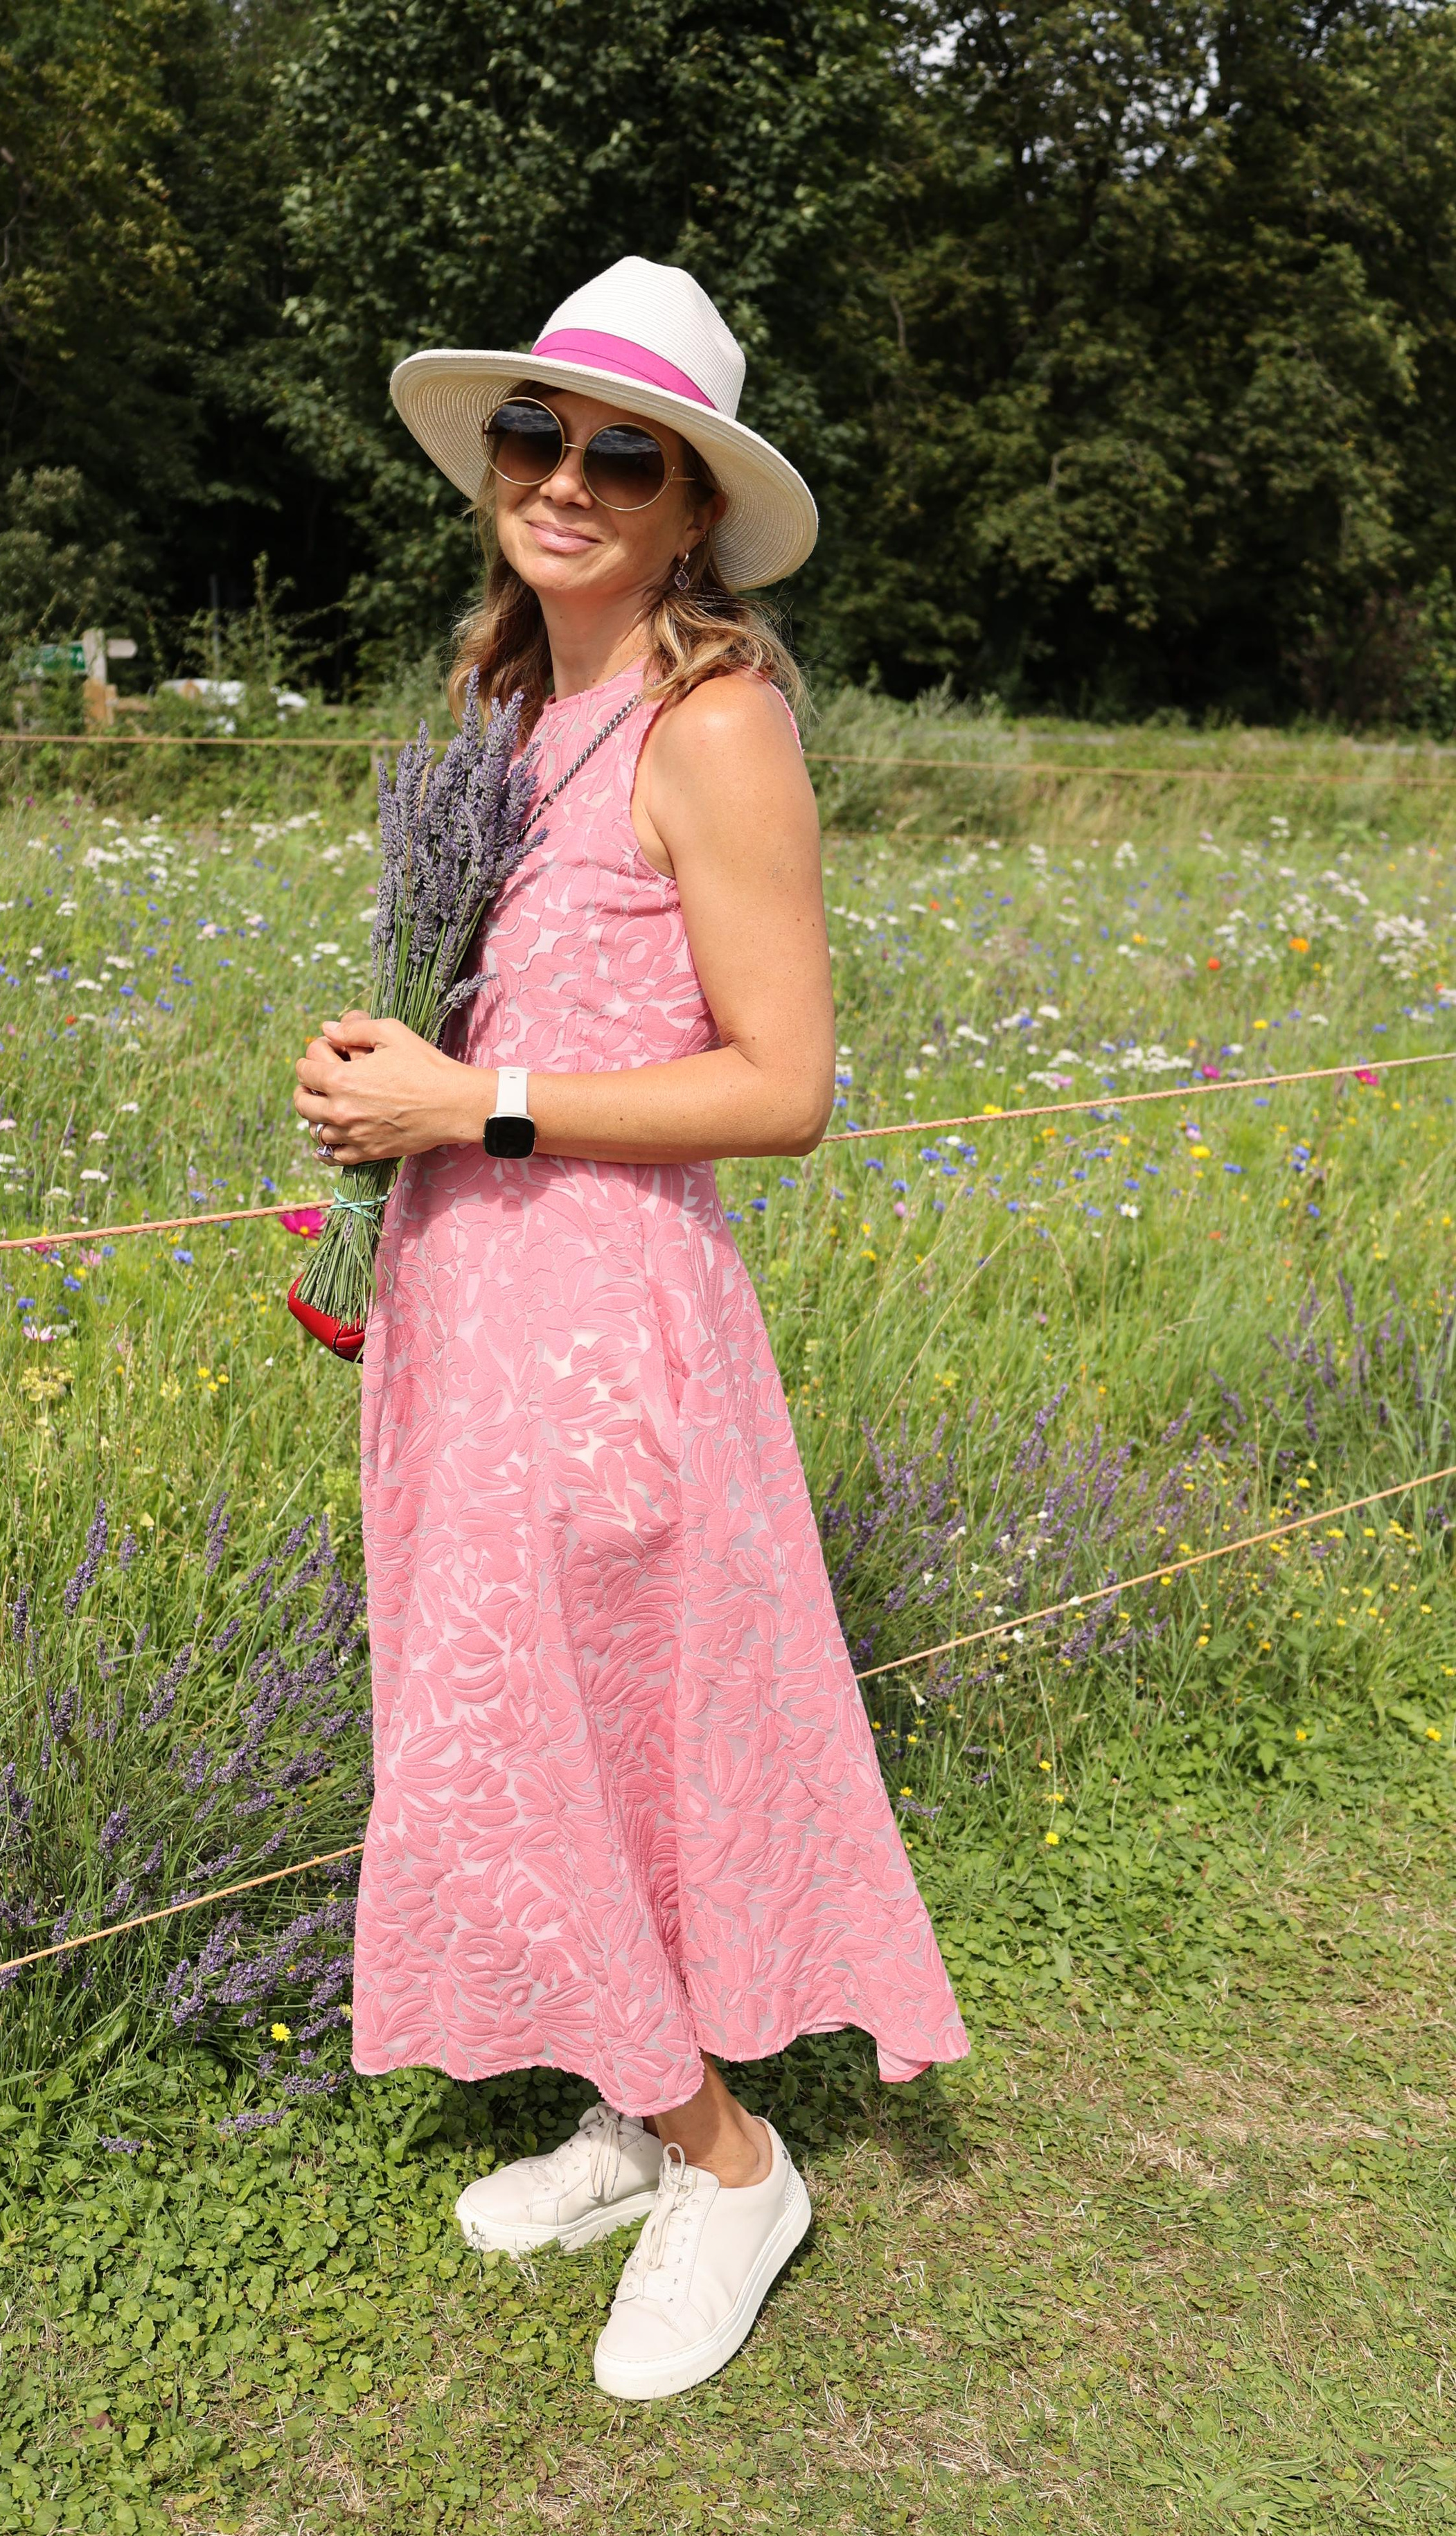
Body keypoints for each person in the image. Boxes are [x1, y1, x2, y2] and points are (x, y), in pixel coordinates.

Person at [294, 257, 966, 2402]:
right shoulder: (506, 706)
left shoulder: (718, 723)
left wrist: (474, 1100)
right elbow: (516, 1018)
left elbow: (784, 1085)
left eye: (624, 457)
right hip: (468, 1307)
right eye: (536, 435)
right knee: (555, 1729)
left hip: (607, 1327)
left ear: (693, 512)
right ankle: (632, 2103)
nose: (565, 480)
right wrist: (388, 1089)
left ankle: (733, 2166)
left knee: (542, 1739)